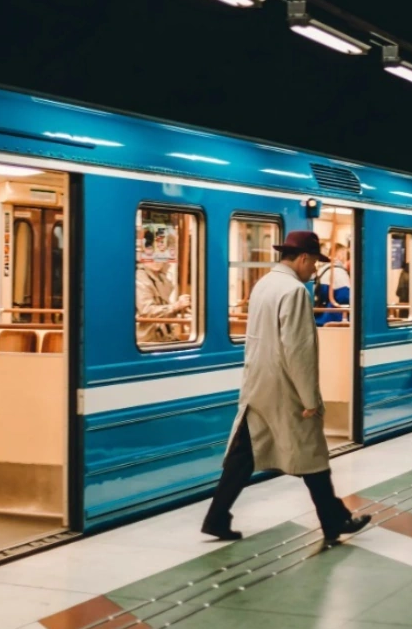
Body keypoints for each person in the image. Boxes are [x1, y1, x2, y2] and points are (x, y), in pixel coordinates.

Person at [201, 230, 371, 543]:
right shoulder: (294, 291)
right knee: (313, 457)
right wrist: (310, 398)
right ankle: (334, 522)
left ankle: (216, 517)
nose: (313, 271)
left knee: (244, 454)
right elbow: (299, 350)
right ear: (303, 258)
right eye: (314, 264)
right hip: (285, 389)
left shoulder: (263, 284)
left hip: (258, 383)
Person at [135, 255, 191, 343]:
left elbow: (165, 308)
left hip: (164, 336)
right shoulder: (140, 278)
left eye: (160, 256)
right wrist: (176, 306)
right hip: (148, 339)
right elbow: (147, 311)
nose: (157, 260)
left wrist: (180, 309)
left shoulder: (162, 278)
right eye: (151, 256)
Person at [314, 242, 350, 326]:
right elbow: (345, 296)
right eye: (345, 255)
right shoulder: (339, 272)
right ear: (339, 255)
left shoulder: (322, 270)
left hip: (319, 317)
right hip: (333, 320)